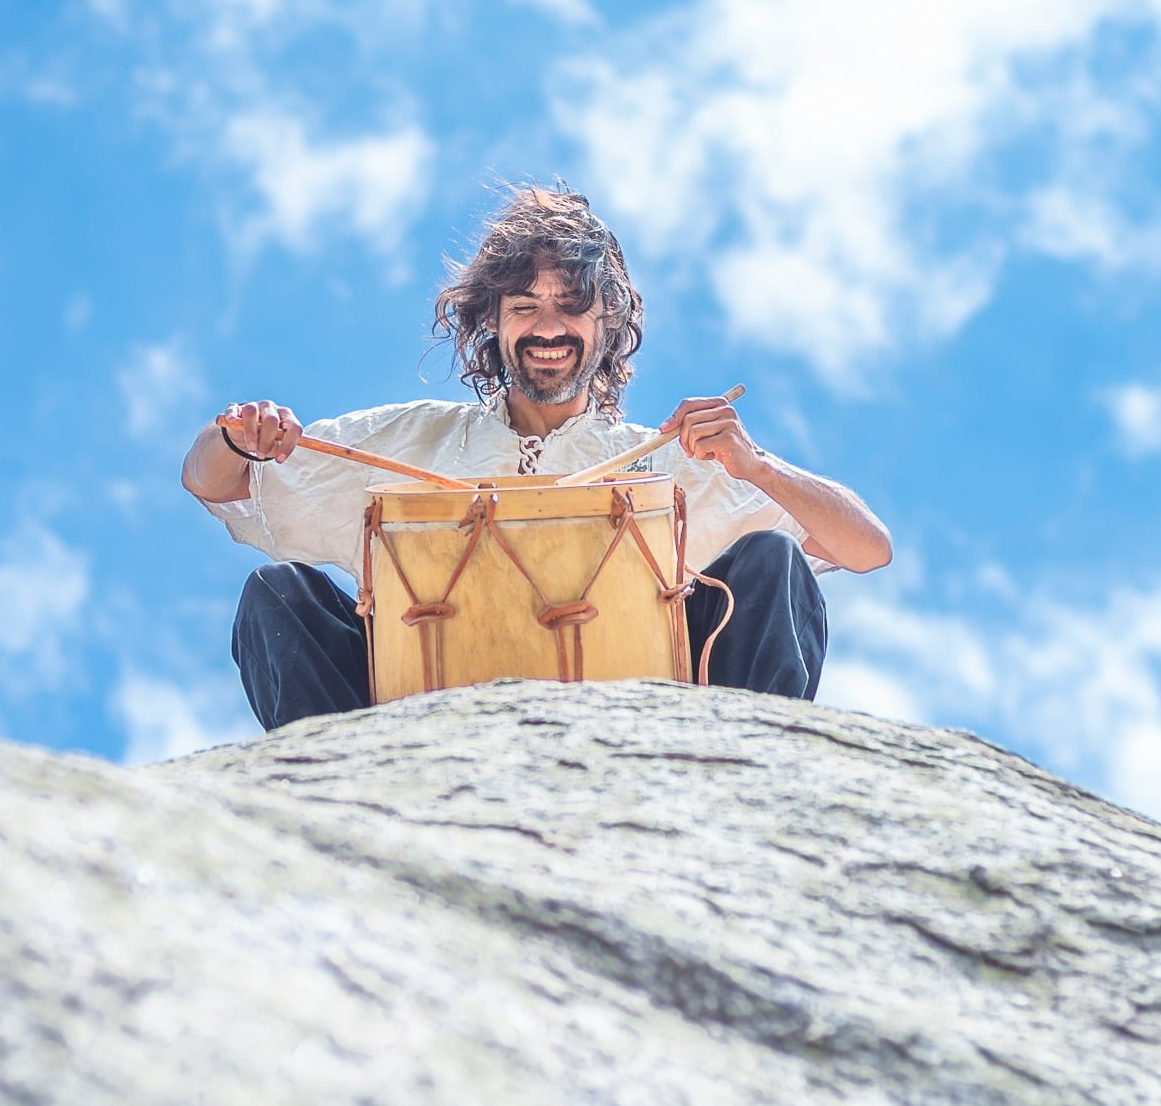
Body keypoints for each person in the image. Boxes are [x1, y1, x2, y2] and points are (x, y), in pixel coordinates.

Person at [182, 186, 891, 730]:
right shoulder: (407, 439)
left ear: (608, 323)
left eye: (571, 306)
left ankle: (739, 786)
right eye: (524, 306)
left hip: (639, 728)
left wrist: (758, 466)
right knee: (276, 594)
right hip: (424, 722)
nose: (547, 327)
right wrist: (239, 438)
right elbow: (214, 482)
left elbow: (864, 548)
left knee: (771, 559)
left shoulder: (662, 460)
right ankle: (345, 808)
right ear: (490, 322)